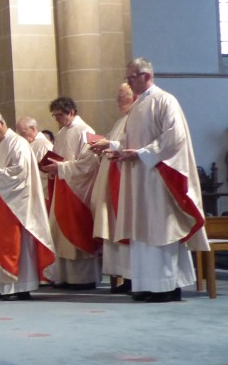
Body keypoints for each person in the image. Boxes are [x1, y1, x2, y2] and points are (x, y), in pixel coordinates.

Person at [112, 58, 209, 302]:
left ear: (146, 75)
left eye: (131, 77)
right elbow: (129, 140)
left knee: (160, 230)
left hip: (158, 179)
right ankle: (147, 285)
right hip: (139, 178)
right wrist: (119, 150)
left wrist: (143, 153)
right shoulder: (136, 107)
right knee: (143, 231)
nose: (129, 82)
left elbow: (174, 138)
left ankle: (167, 286)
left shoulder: (165, 100)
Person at [0, 111, 55, 300]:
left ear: (1, 123)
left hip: (16, 204)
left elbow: (20, 172)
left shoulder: (17, 143)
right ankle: (2, 287)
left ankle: (20, 287)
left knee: (16, 243)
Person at [40, 97, 101, 290]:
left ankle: (83, 279)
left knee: (76, 231)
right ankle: (65, 277)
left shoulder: (85, 131)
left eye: (60, 115)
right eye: (55, 115)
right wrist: (53, 166)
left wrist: (61, 167)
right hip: (63, 186)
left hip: (78, 190)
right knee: (61, 234)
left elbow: (88, 164)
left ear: (71, 112)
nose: (57, 119)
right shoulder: (62, 132)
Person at [89, 83, 135, 293]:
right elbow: (116, 145)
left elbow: (130, 145)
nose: (118, 101)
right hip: (113, 180)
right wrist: (103, 149)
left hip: (126, 183)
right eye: (118, 97)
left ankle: (132, 277)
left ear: (134, 97)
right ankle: (124, 277)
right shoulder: (119, 122)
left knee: (125, 229)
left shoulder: (137, 119)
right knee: (115, 229)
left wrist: (110, 145)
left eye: (122, 96)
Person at [16, 115, 52, 193]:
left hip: (41, 190)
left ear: (32, 129)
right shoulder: (27, 144)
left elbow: (48, 172)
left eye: (22, 133)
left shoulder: (44, 145)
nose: (20, 136)